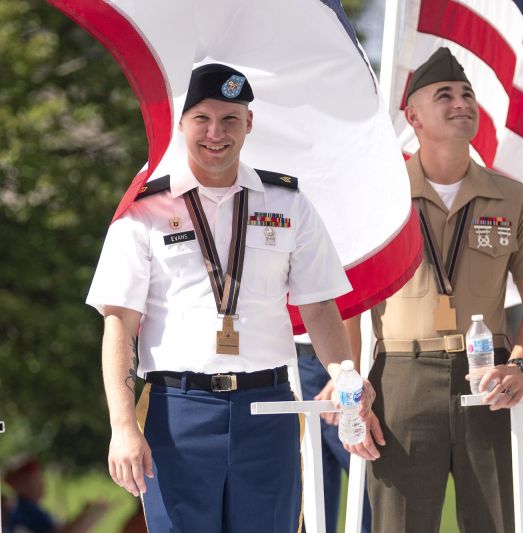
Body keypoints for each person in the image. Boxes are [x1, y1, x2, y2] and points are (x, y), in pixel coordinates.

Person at [86, 63, 382, 532]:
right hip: (177, 411)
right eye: (202, 118)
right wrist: (122, 425)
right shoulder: (142, 212)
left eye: (230, 119)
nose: (215, 133)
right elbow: (118, 323)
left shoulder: (288, 204)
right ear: (181, 124)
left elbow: (319, 305)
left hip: (267, 409)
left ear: (249, 123)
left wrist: (343, 374)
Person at [346, 47, 523, 533]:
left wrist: (522, 365)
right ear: (413, 116)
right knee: (398, 524)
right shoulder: (379, 193)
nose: (462, 102)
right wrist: (349, 384)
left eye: (467, 94)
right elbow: (347, 301)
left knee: (498, 522)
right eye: (445, 95)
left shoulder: (514, 198)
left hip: (489, 377)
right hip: (400, 379)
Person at [294, 334, 372, 533]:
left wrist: (346, 375)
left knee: (367, 483)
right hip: (296, 364)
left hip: (347, 362)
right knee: (311, 492)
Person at [3, 457, 107, 533]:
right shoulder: (24, 510)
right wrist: (90, 515)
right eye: (35, 480)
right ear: (20, 484)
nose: (42, 484)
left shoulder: (24, 508)